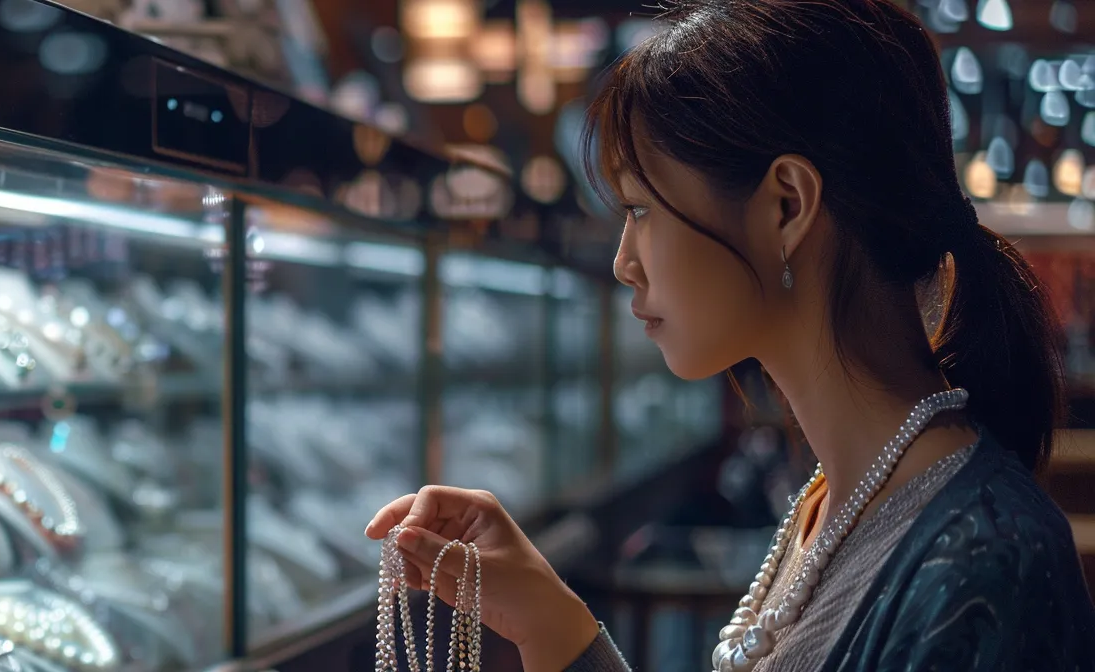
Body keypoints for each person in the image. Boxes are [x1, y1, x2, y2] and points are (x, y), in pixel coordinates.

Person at [364, 0, 1095, 670]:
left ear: (786, 206)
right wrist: (552, 623)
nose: (623, 262)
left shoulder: (989, 563)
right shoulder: (836, 499)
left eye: (641, 210)